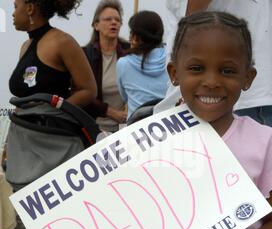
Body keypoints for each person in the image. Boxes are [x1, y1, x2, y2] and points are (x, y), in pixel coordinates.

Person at [145, 11, 272, 229]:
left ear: (248, 77)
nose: (212, 81)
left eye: (227, 71)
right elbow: (142, 221)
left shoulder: (265, 142)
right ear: (174, 73)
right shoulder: (155, 144)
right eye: (197, 68)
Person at [9, 0, 97, 107]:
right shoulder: (25, 46)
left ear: (30, 9)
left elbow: (88, 90)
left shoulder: (63, 42)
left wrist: (55, 111)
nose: (13, 14)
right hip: (22, 122)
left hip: (52, 123)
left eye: (15, 7)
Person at [83, 0, 129, 133]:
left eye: (117, 19)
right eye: (108, 19)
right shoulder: (85, 56)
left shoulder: (130, 52)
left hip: (127, 128)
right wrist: (110, 112)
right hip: (96, 130)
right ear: (96, 25)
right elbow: (81, 94)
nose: (114, 22)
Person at [116, 11, 169, 120]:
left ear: (136, 37)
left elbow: (124, 97)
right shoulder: (173, 59)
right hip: (169, 124)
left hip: (135, 127)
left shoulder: (123, 64)